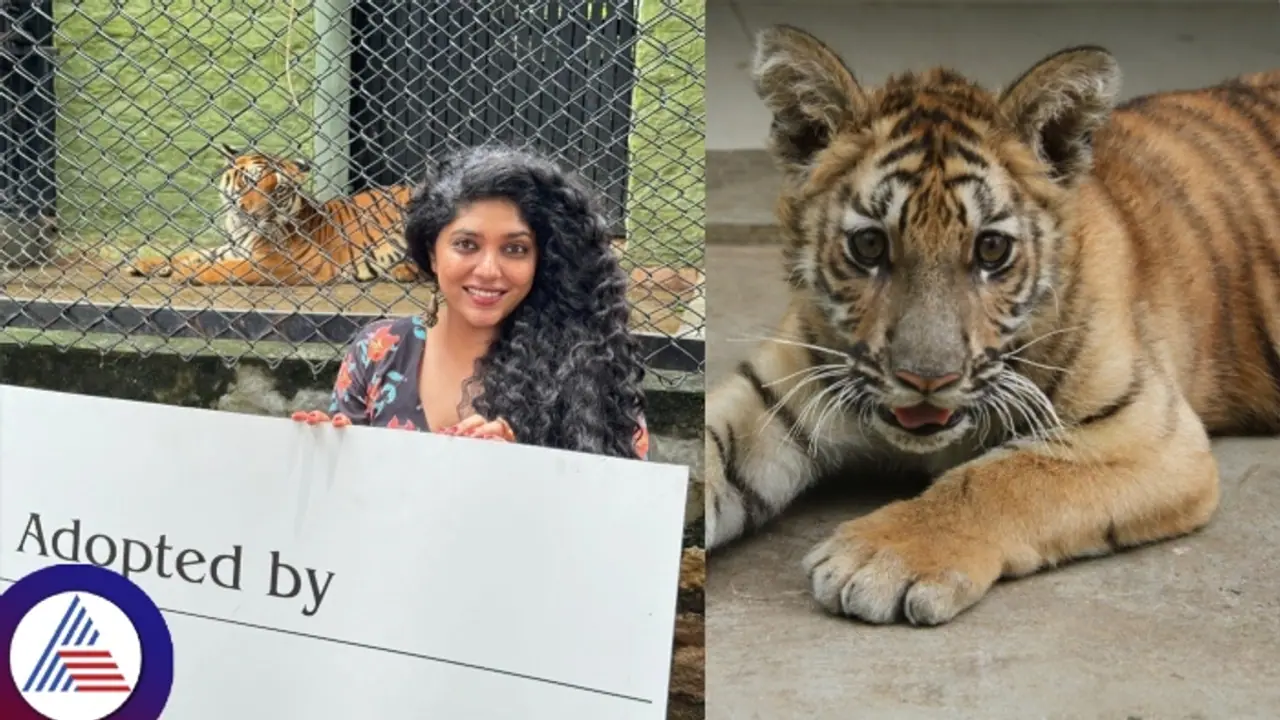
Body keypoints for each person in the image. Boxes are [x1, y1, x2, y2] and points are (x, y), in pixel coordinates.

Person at [291, 143, 651, 460]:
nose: (489, 270)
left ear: (542, 260)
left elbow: (622, 502)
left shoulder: (587, 364)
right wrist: (326, 455)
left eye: (515, 249)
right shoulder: (378, 351)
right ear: (432, 254)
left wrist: (524, 468)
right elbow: (349, 496)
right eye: (466, 245)